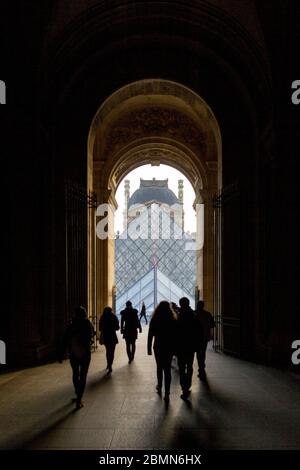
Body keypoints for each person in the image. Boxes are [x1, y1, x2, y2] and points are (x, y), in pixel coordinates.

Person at [59, 306, 95, 410]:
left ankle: (77, 390)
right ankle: (79, 399)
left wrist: (61, 354)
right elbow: (91, 335)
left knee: (75, 373)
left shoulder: (71, 324)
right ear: (84, 313)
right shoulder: (88, 323)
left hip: (73, 352)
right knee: (83, 375)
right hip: (85, 353)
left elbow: (65, 339)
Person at [147, 301, 178, 402]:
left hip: (158, 346)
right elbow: (176, 335)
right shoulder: (172, 319)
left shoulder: (155, 319)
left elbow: (150, 334)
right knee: (167, 369)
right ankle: (167, 393)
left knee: (159, 367)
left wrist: (148, 348)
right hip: (169, 346)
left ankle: (159, 386)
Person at [176, 297, 197, 400]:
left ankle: (183, 387)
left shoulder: (178, 316)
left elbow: (175, 332)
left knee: (181, 367)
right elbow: (198, 331)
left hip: (180, 346)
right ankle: (187, 386)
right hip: (190, 345)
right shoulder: (193, 315)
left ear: (181, 304)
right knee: (189, 366)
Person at [195, 300, 215, 380]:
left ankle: (201, 368)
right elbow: (212, 325)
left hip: (196, 337)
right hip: (205, 336)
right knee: (203, 352)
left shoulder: (195, 313)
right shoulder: (208, 314)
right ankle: (202, 368)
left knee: (198, 353)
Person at [99, 306, 120, 373]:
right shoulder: (114, 317)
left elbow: (100, 328)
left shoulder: (102, 317)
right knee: (112, 351)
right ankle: (110, 364)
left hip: (106, 336)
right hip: (112, 336)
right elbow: (117, 327)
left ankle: (108, 364)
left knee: (108, 351)